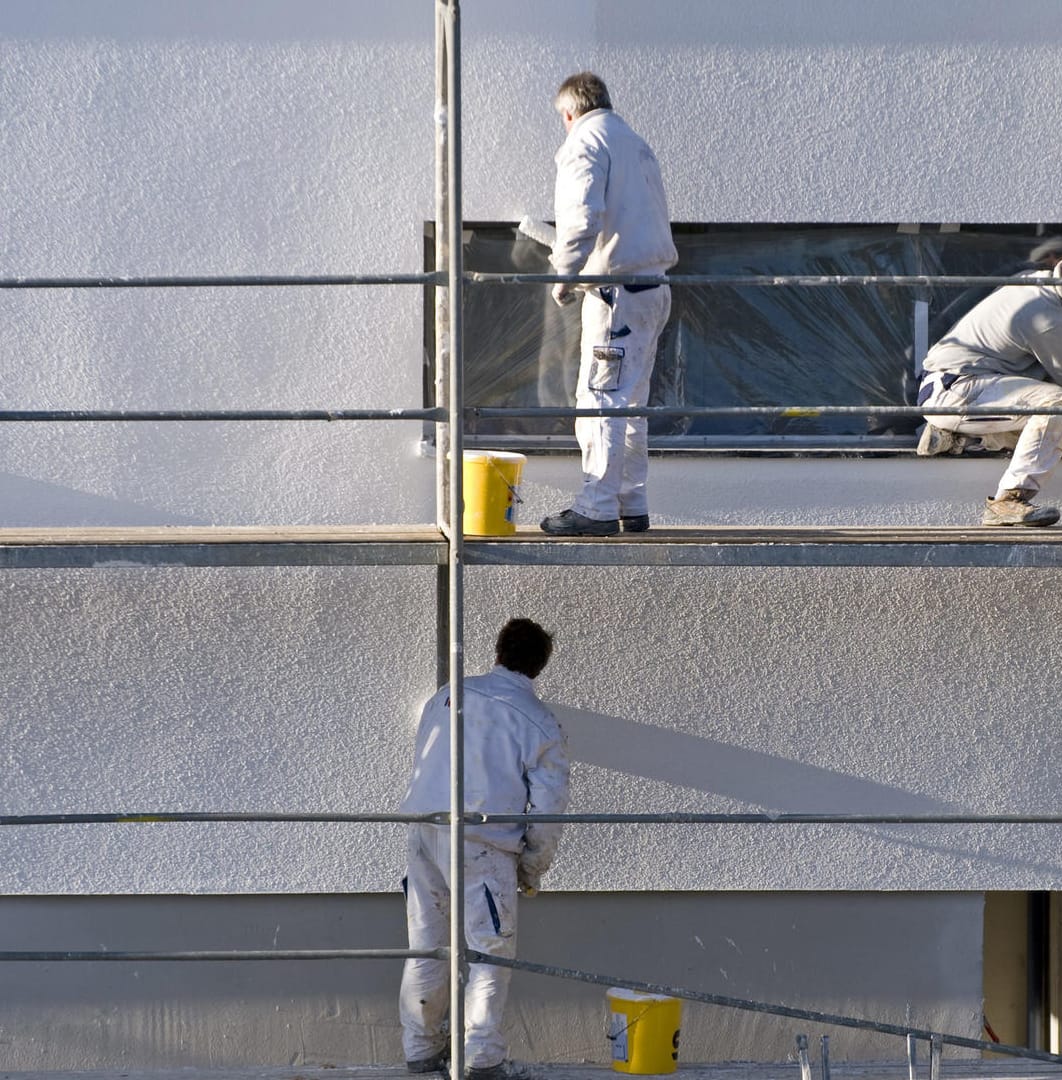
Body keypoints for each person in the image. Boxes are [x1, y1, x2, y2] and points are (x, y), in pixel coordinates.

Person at [398, 618, 570, 1078]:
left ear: (497, 652)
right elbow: (549, 808)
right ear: (539, 666)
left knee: (428, 945)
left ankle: (421, 1050)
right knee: (489, 952)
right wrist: (532, 867)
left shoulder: (446, 696)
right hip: (482, 840)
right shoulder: (537, 719)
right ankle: (481, 1060)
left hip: (423, 832)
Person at [539, 71, 678, 537]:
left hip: (616, 296)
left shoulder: (585, 141)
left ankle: (596, 509)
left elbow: (581, 213)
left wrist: (565, 272)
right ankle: (630, 505)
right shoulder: (635, 143)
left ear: (568, 111)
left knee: (600, 399)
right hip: (652, 290)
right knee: (630, 403)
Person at [915, 248, 1062, 527]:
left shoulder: (1032, 280)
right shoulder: (1045, 319)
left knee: (1053, 431)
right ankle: (1009, 501)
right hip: (956, 390)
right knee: (1058, 405)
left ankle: (961, 437)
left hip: (955, 382)